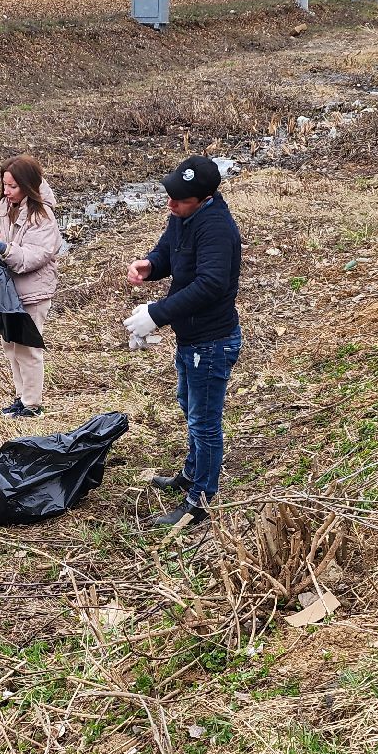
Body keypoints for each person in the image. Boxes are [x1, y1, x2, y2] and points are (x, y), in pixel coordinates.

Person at [123, 155, 243, 530]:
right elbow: (167, 252)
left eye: (180, 200)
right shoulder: (182, 217)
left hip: (212, 341)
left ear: (204, 197)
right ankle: (192, 475)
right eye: (170, 195)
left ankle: (200, 501)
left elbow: (210, 285)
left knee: (204, 421)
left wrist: (157, 314)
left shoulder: (217, 228)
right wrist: (150, 265)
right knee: (188, 405)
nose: (170, 204)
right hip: (191, 341)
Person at [0, 155, 61, 419]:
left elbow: (35, 255)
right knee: (11, 345)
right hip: (8, 292)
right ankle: (21, 398)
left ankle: (33, 405)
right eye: (4, 185)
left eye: (12, 187)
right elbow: (2, 234)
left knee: (28, 348)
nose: (6, 191)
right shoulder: (6, 205)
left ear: (28, 185)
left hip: (32, 292)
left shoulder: (42, 215)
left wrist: (2, 248)